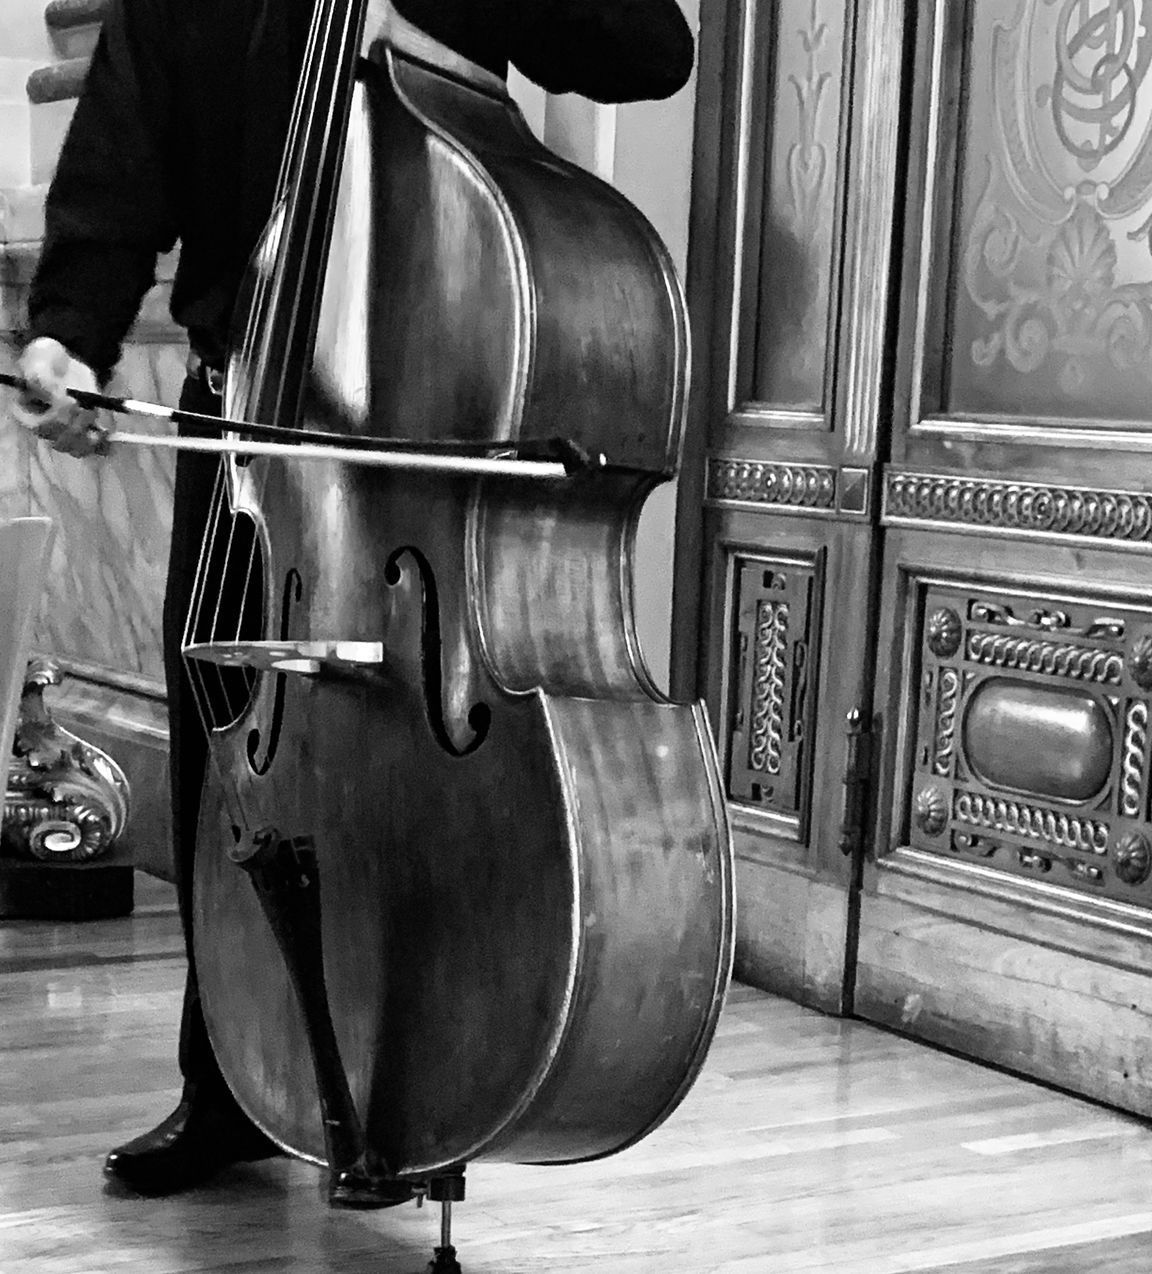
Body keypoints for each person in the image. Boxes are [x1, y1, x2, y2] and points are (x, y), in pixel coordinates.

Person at [8, 0, 695, 1197]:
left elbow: (649, 48)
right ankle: (228, 1074)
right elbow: (125, 150)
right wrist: (69, 332)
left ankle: (430, 1049)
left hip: (423, 421)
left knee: (394, 752)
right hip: (253, 430)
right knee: (230, 743)